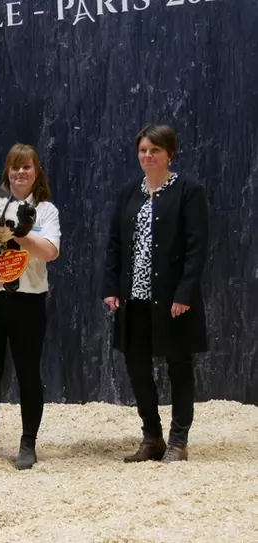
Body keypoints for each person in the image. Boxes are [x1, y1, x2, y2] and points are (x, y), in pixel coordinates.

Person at [102, 124, 209, 463]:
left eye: (154, 150)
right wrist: (111, 287)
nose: (147, 156)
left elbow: (197, 247)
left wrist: (185, 292)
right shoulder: (129, 193)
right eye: (143, 150)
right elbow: (115, 245)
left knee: (178, 362)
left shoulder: (188, 191)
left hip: (172, 297)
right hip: (133, 296)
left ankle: (179, 440)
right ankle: (152, 437)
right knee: (136, 363)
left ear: (169, 153)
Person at [0, 143, 60, 470]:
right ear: (7, 172)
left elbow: (49, 252)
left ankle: (28, 443)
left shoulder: (45, 211)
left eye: (26, 167)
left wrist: (19, 230)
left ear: (36, 173)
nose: (20, 173)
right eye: (15, 167)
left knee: (28, 373)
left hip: (28, 303)